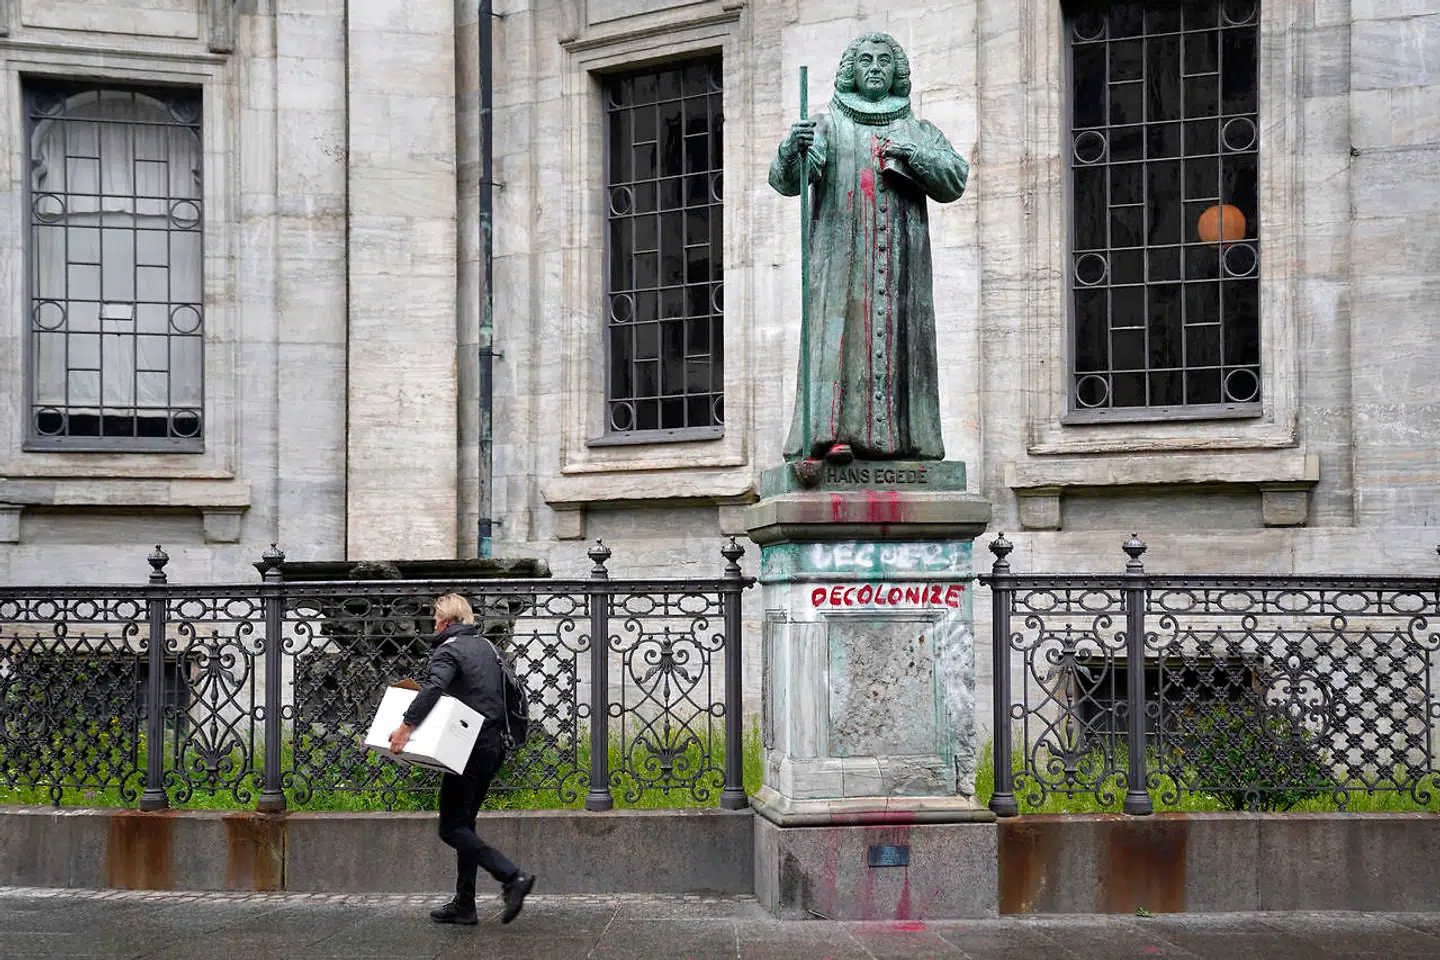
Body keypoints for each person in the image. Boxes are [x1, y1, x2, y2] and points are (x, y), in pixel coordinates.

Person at [769, 32, 969, 464]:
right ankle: (832, 438)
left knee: (902, 348)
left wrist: (914, 155)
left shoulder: (918, 129)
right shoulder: (828, 125)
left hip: (903, 276)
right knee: (842, 343)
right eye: (865, 61)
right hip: (841, 268)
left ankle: (909, 443)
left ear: (896, 72)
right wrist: (795, 147)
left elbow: (955, 179)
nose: (875, 67)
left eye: (883, 61)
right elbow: (788, 181)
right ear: (850, 72)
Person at [388, 593, 535, 925]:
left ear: (446, 622)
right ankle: (464, 904)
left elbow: (433, 687)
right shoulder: (490, 649)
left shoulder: (449, 650)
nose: (434, 625)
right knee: (465, 823)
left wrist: (405, 727)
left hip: (466, 747)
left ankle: (512, 876)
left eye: (436, 620)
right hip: (495, 746)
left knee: (451, 827)